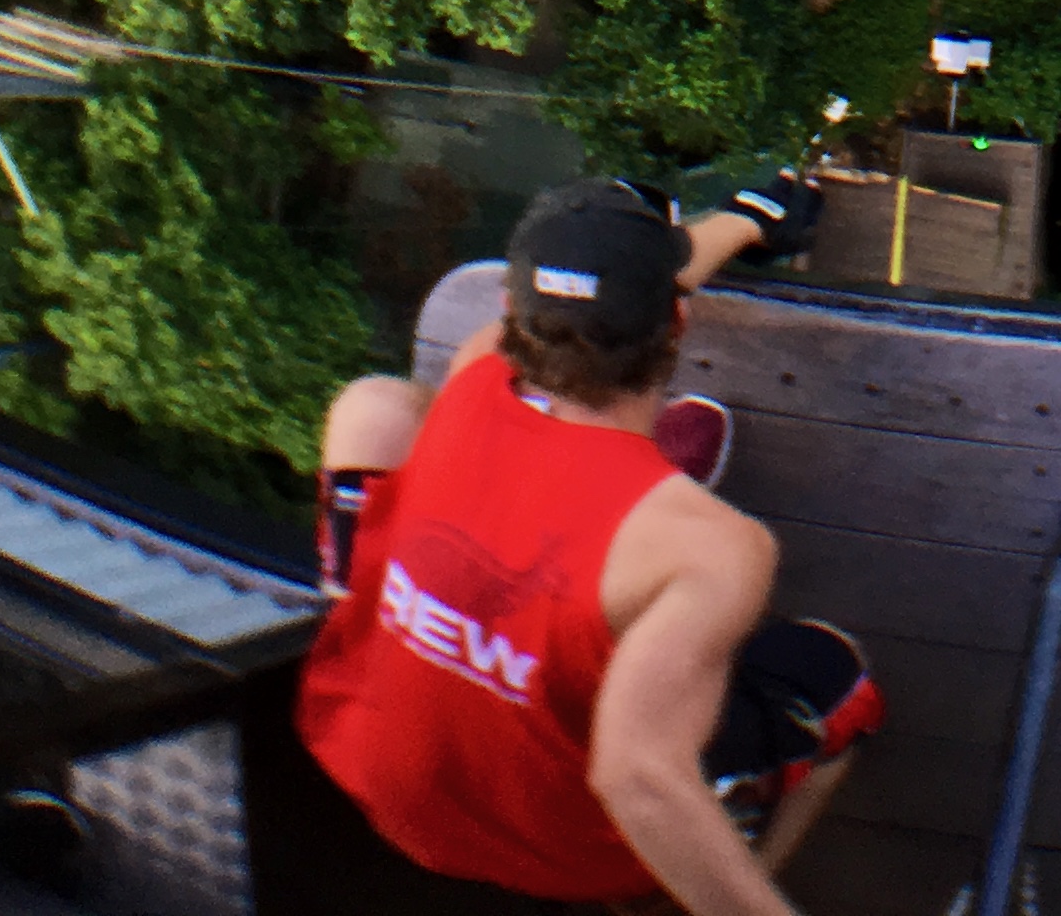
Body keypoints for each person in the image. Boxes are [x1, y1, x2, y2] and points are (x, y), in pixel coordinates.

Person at [294, 175, 878, 913]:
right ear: (677, 323)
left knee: (378, 406)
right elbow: (636, 778)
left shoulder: (478, 365)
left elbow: (646, 286)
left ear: (511, 313)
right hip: (569, 858)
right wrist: (753, 220)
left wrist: (740, 222)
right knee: (837, 676)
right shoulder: (719, 548)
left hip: (377, 774)